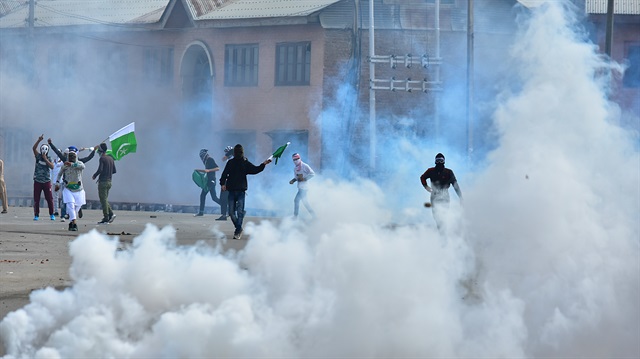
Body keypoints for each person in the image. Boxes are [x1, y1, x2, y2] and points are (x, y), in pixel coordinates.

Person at [219, 144, 272, 239]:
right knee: (231, 212)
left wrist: (263, 164)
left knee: (239, 212)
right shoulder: (230, 163)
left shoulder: (245, 163)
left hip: (241, 191)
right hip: (231, 190)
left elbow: (255, 169)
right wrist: (222, 183)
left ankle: (237, 231)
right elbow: (224, 174)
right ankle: (239, 228)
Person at [48, 140, 96, 220]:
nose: (70, 157)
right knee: (67, 200)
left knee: (66, 200)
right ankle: (66, 215)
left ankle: (67, 215)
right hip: (69, 183)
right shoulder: (73, 161)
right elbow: (88, 158)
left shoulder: (74, 162)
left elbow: (58, 153)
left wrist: (50, 144)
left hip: (70, 184)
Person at [420, 153, 463, 231]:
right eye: (438, 161)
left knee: (443, 213)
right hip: (434, 195)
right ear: (435, 161)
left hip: (444, 194)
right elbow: (422, 177)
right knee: (436, 215)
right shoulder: (430, 171)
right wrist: (426, 187)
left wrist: (460, 196)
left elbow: (455, 185)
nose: (439, 163)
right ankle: (440, 229)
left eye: (441, 161)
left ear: (444, 161)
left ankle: (443, 230)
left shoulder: (449, 172)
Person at [55, 151, 85, 231]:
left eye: (73, 156)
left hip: (79, 189)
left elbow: (83, 166)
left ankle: (71, 222)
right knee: (70, 205)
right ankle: (74, 224)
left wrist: (72, 164)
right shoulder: (65, 165)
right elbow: (59, 174)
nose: (71, 158)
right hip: (68, 188)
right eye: (70, 156)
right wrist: (57, 183)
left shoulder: (79, 164)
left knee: (76, 208)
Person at [32, 135, 55, 221]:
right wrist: (38, 141)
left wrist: (45, 159)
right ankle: (36, 214)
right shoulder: (38, 156)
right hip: (37, 180)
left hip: (46, 181)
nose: (43, 151)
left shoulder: (49, 158)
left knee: (49, 198)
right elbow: (33, 149)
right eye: (42, 149)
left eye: (45, 149)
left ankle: (52, 214)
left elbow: (52, 166)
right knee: (36, 199)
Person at [92, 143, 117, 224]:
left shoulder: (102, 158)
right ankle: (111, 214)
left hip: (103, 182)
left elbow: (100, 169)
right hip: (109, 182)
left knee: (103, 200)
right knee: (105, 199)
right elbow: (114, 171)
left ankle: (106, 217)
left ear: (100, 150)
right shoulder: (111, 158)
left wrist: (95, 175)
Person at [194, 149, 221, 217]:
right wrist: (198, 170)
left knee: (203, 195)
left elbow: (217, 168)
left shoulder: (210, 159)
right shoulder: (206, 161)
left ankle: (201, 212)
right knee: (214, 198)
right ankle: (227, 207)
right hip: (210, 181)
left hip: (211, 181)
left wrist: (209, 170)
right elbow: (206, 171)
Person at [289, 153, 316, 219]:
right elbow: (296, 177)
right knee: (305, 202)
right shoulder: (295, 168)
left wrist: (304, 179)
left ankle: (295, 216)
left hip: (304, 188)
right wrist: (293, 180)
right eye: (294, 159)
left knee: (296, 200)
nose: (295, 161)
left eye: (297, 159)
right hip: (300, 187)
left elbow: (312, 174)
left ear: (299, 158)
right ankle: (314, 215)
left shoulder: (305, 166)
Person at [216, 145, 234, 221]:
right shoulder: (230, 160)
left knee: (224, 199)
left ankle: (224, 215)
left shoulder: (233, 159)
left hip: (229, 181)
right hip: (229, 181)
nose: (225, 154)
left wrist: (227, 155)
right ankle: (226, 213)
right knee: (227, 199)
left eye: (227, 152)